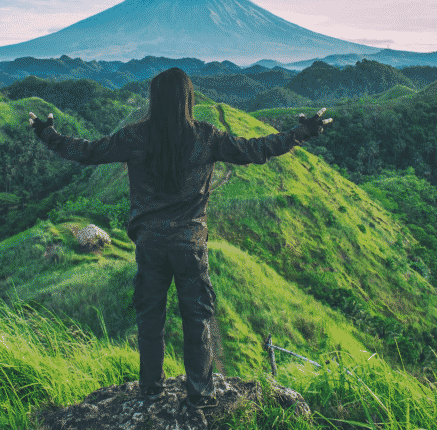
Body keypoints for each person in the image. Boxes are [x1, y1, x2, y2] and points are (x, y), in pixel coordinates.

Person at [28, 67, 331, 408]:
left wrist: (47, 134)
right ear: (188, 99)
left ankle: (150, 390)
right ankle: (201, 394)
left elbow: (87, 152)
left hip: (151, 243)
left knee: (150, 318)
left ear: (154, 100)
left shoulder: (135, 136)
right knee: (197, 317)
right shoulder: (207, 136)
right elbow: (256, 149)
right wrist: (300, 133)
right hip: (190, 243)